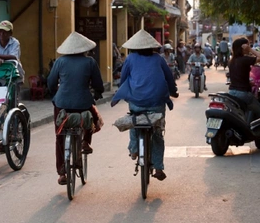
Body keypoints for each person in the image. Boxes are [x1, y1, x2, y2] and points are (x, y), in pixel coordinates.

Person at [111, 29, 178, 181]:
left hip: (136, 103)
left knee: (134, 121)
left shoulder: (130, 58)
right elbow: (169, 78)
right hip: (157, 103)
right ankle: (159, 167)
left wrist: (123, 93)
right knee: (157, 134)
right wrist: (174, 92)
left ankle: (134, 149)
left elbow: (123, 80)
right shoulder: (159, 59)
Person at [47, 31, 104, 185]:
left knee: (60, 136)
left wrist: (54, 95)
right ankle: (86, 141)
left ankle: (62, 173)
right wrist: (97, 93)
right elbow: (98, 83)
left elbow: (51, 82)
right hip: (83, 103)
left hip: (62, 104)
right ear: (84, 49)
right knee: (91, 117)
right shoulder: (90, 62)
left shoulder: (60, 61)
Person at [228, 37, 260, 126]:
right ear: (243, 47)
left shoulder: (232, 61)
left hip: (232, 92)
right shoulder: (244, 59)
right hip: (243, 94)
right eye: (247, 45)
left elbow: (238, 77)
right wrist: (250, 49)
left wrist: (248, 83)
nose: (248, 47)